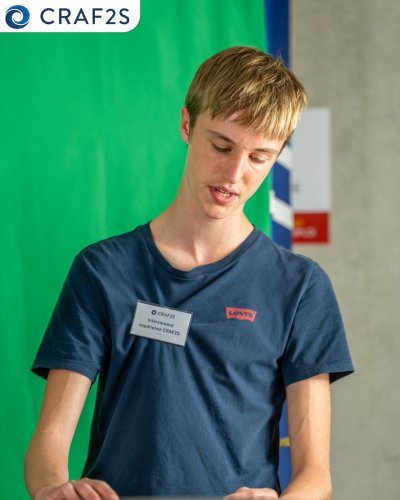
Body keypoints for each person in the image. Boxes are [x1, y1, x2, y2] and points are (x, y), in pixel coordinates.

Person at [24, 46, 354, 500]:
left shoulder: (301, 287)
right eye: (222, 146)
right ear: (186, 124)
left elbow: (316, 476)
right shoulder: (102, 270)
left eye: (259, 157)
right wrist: (53, 490)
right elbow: (48, 444)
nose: (234, 173)